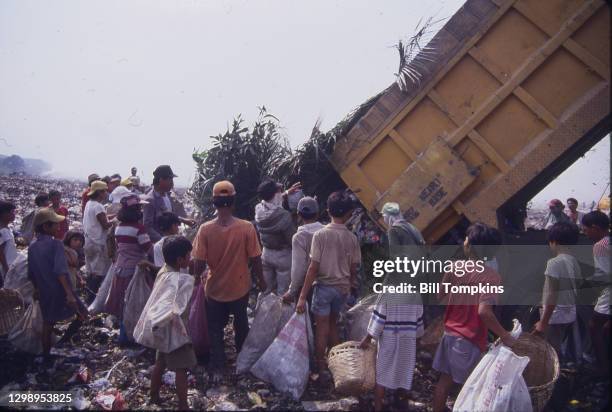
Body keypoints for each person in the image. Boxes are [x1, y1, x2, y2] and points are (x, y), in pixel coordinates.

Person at [432, 223, 514, 412]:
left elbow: (439, 295)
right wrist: (505, 335)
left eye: (467, 239)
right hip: (468, 340)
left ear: (470, 246)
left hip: (450, 334)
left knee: (444, 382)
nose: (464, 242)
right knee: (469, 388)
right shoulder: (491, 277)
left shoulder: (454, 267)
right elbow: (484, 312)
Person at [191, 180, 265, 381]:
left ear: (214, 203)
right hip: (240, 287)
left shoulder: (205, 229)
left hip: (214, 289)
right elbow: (256, 259)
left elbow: (198, 261)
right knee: (241, 324)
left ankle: (219, 365)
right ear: (233, 203)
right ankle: (242, 360)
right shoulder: (246, 227)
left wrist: (197, 279)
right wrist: (262, 282)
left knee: (215, 327)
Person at [359, 202, 425, 411]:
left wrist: (368, 337)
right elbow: (419, 322)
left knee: (383, 370)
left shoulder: (394, 231)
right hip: (407, 336)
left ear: (388, 216)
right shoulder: (412, 228)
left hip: (390, 336)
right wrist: (419, 337)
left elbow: (378, 319)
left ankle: (379, 406)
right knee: (405, 368)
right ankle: (401, 402)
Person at [296, 191, 361, 376]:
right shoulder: (352, 238)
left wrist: (302, 297)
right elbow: (354, 268)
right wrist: (350, 285)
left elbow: (313, 268)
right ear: (349, 214)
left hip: (323, 288)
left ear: (327, 211)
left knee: (322, 328)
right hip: (341, 290)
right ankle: (337, 366)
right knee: (333, 325)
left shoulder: (320, 235)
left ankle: (321, 366)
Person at [27, 208, 87, 356]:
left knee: (48, 323)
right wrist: (69, 294)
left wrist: (36, 289)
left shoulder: (32, 246)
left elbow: (31, 273)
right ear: (46, 226)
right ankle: (63, 341)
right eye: (55, 224)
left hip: (44, 290)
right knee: (82, 313)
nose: (59, 227)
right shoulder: (56, 245)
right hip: (59, 289)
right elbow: (60, 272)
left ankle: (45, 356)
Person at [148, 236, 196, 410]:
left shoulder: (164, 271)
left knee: (160, 362)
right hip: (174, 330)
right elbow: (177, 307)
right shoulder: (175, 280)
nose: (190, 258)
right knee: (182, 368)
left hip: (161, 327)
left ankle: (153, 395)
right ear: (180, 259)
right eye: (188, 255)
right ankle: (183, 405)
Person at [105, 194, 152, 345]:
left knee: (123, 303)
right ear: (137, 210)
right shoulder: (139, 229)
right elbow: (148, 249)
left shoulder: (119, 228)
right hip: (135, 270)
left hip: (120, 268)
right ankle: (130, 336)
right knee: (134, 302)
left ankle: (124, 335)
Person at [532, 222, 581, 359]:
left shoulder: (554, 263)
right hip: (568, 312)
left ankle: (554, 379)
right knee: (557, 348)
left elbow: (553, 294)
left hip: (555, 315)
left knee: (549, 353)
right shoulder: (573, 260)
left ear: (553, 241)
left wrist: (543, 322)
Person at [254, 179, 296, 295]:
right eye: (278, 191)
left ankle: (263, 312)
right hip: (283, 256)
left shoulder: (259, 210)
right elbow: (292, 240)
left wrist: (287, 192)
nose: (280, 193)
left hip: (266, 254)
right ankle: (280, 313)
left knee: (265, 290)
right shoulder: (283, 216)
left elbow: (270, 202)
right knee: (283, 293)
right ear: (274, 195)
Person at [581, 211, 610, 376]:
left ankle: (602, 367)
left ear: (595, 228)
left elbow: (604, 274)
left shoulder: (600, 245)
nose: (585, 234)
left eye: (586, 230)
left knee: (594, 326)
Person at [282, 196, 324, 303]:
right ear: (317, 213)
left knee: (310, 318)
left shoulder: (299, 237)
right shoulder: (327, 231)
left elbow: (298, 269)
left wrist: (292, 292)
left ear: (299, 215)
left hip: (309, 289)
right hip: (331, 284)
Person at [143, 165, 194, 243]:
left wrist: (184, 220)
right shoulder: (150, 200)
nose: (172, 184)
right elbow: (147, 227)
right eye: (170, 180)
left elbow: (168, 214)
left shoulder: (167, 196)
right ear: (161, 180)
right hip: (160, 245)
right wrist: (164, 241)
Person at [83, 181, 113, 303]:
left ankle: (87, 296)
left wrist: (111, 216)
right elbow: (105, 225)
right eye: (104, 191)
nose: (106, 193)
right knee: (98, 273)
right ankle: (91, 300)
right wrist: (116, 220)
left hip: (89, 241)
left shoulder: (89, 204)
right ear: (99, 192)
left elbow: (100, 220)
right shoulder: (98, 206)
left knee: (90, 271)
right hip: (98, 242)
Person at [0, 200, 18, 281]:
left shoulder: (7, 229)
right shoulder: (2, 231)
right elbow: (1, 253)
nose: (14, 214)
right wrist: (6, 269)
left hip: (11, 265)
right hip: (7, 267)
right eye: (12, 212)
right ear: (4, 214)